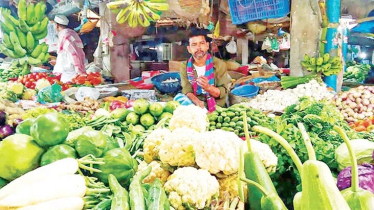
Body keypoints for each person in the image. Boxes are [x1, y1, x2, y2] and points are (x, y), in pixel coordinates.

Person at [180, 29, 230, 109]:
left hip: (217, 108)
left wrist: (208, 87)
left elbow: (222, 92)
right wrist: (197, 102)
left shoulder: (219, 64)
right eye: (194, 45)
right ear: (189, 49)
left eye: (201, 43)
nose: (198, 48)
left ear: (207, 46)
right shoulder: (184, 66)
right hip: (195, 107)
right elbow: (187, 90)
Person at [50, 15, 86, 83]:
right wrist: (57, 62)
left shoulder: (64, 34)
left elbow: (71, 53)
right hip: (74, 72)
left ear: (57, 25)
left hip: (69, 75)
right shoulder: (72, 33)